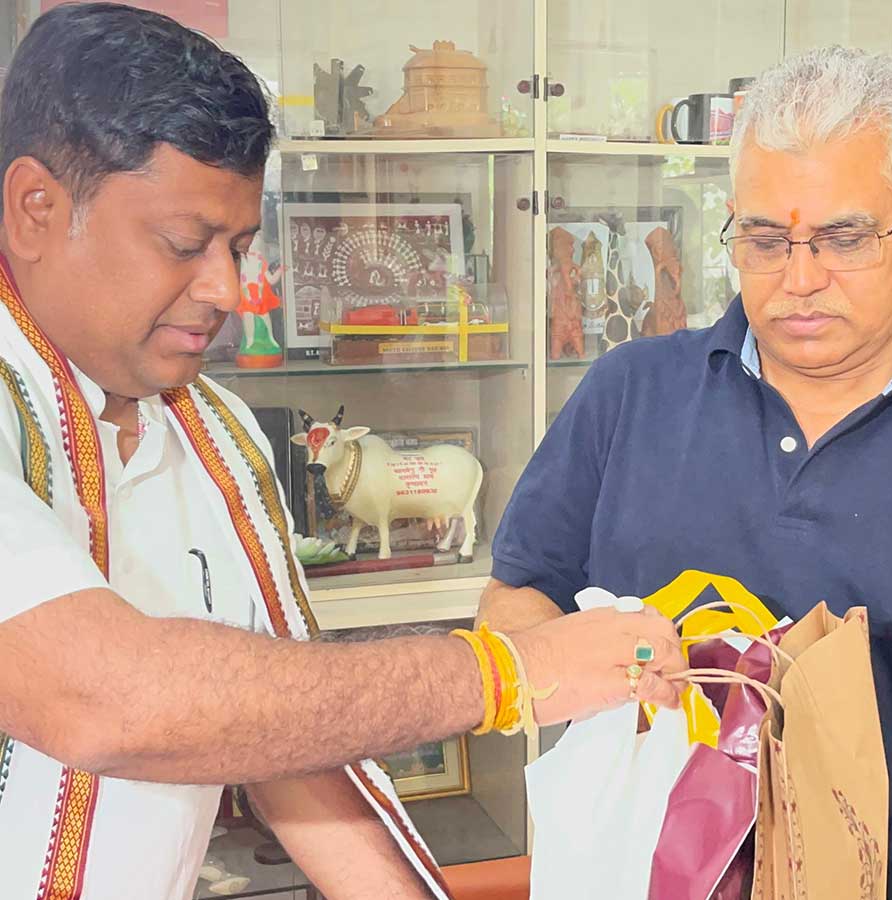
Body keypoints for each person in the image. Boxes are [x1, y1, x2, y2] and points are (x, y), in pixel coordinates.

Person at [0, 4, 685, 899]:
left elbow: (291, 755)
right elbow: (99, 698)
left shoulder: (217, 431)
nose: (227, 289)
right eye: (184, 244)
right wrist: (511, 671)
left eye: (239, 246)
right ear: (37, 211)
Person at [481, 44, 892, 892]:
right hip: (642, 868)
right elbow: (514, 603)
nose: (801, 278)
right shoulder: (630, 391)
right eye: (764, 239)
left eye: (844, 239)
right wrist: (598, 666)